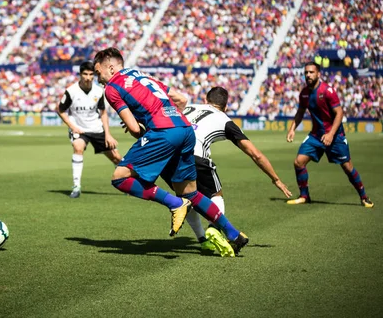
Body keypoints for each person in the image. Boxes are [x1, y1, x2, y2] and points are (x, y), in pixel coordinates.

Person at [94, 47, 248, 257]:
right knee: (191, 193)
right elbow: (182, 99)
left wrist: (148, 131)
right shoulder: (142, 75)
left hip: (163, 132)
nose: (98, 78)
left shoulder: (112, 87)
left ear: (110, 67)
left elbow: (133, 128)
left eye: (98, 72)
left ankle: (175, 204)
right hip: (185, 130)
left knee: (119, 177)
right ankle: (233, 234)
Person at [180, 87, 292, 255]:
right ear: (226, 107)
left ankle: (202, 240)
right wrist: (275, 179)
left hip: (170, 154)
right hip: (196, 155)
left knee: (187, 196)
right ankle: (214, 228)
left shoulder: (189, 107)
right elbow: (256, 154)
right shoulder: (224, 119)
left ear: (205, 100)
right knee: (216, 194)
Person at [286, 62, 374, 207]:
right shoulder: (304, 93)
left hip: (335, 135)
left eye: (311, 72)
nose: (308, 75)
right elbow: (300, 112)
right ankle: (304, 196)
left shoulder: (328, 91)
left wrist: (331, 134)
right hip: (316, 135)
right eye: (306, 72)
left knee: (347, 167)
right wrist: (292, 129)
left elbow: (339, 113)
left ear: (318, 74)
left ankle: (364, 197)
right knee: (299, 162)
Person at [56, 61, 122, 198]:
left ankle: (127, 183)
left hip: (96, 128)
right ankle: (76, 186)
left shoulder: (99, 91)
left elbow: (103, 113)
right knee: (78, 147)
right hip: (79, 130)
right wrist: (72, 127)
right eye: (85, 74)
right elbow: (60, 110)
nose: (88, 77)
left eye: (91, 74)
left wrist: (108, 134)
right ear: (80, 75)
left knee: (116, 158)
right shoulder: (71, 91)